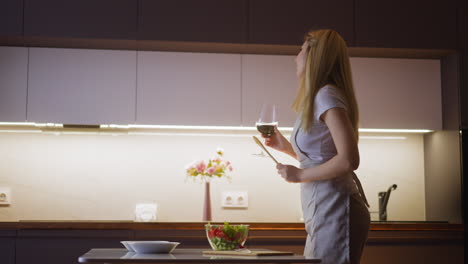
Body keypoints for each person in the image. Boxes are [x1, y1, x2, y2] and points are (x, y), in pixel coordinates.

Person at [261, 29, 370, 264]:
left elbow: (349, 160)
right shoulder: (320, 97)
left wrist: (300, 174)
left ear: (313, 57)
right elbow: (322, 156)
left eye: (300, 51)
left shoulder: (326, 96)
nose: (296, 57)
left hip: (337, 208)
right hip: (325, 208)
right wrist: (286, 147)